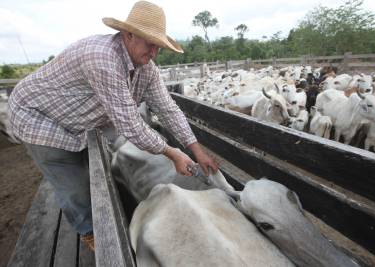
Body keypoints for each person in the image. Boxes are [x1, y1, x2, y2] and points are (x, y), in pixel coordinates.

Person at [8, 0, 218, 251]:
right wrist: (173, 153)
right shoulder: (102, 57)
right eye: (150, 43)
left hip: (77, 119)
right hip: (38, 116)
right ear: (128, 35)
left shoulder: (146, 68)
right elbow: (130, 123)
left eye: (158, 47)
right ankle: (90, 233)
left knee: (93, 169)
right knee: (73, 184)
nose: (153, 53)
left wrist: (197, 151)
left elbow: (168, 108)